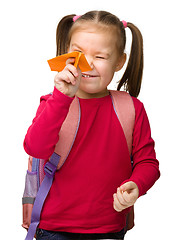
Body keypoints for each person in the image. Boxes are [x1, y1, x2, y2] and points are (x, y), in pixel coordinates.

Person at [23, 10, 160, 240]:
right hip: (54, 228)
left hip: (109, 228)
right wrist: (61, 98)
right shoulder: (53, 102)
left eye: (100, 56)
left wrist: (137, 184)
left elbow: (148, 162)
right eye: (78, 53)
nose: (86, 64)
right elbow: (34, 148)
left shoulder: (132, 109)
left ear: (119, 62)